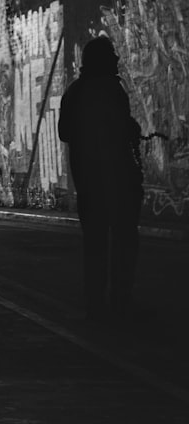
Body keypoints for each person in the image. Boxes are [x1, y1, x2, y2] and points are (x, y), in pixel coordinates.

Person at [58, 36, 144, 321]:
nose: (118, 60)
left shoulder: (74, 92)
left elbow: (64, 133)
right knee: (123, 240)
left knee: (94, 243)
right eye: (113, 56)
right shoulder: (111, 89)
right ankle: (121, 301)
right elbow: (122, 129)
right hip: (117, 178)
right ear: (103, 61)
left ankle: (95, 303)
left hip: (87, 180)